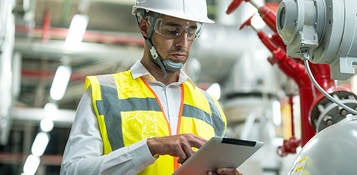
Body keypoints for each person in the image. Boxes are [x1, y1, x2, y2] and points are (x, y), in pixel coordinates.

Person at [61, 0, 241, 174]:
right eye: (172, 31)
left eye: (192, 31)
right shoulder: (105, 93)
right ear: (145, 26)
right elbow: (72, 171)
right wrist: (151, 147)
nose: (183, 44)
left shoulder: (210, 107)